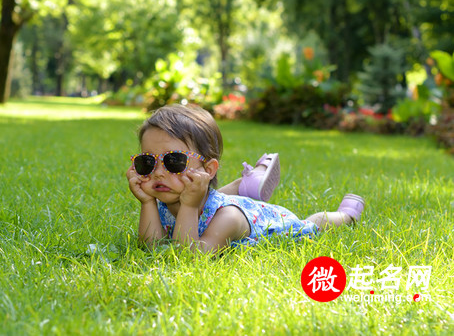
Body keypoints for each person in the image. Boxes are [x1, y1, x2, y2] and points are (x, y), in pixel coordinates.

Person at [125, 104, 365, 253]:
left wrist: (188, 205)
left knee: (313, 223)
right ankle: (245, 184)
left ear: (209, 169)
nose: (157, 172)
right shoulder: (165, 201)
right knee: (209, 200)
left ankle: (346, 215)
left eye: (173, 161)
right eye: (146, 162)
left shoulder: (228, 218)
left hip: (277, 225)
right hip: (209, 201)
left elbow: (188, 255)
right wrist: (147, 202)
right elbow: (152, 248)